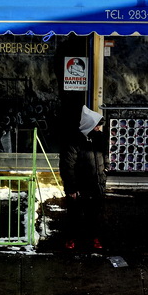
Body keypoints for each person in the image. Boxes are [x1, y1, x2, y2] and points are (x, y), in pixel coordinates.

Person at [60, 105, 109, 251]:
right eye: (97, 126)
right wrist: (71, 188)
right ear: (89, 126)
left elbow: (104, 155)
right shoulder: (74, 142)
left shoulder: (99, 139)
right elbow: (67, 166)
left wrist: (105, 168)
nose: (99, 129)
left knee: (95, 214)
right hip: (80, 185)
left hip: (96, 183)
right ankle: (71, 238)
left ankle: (94, 238)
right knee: (75, 214)